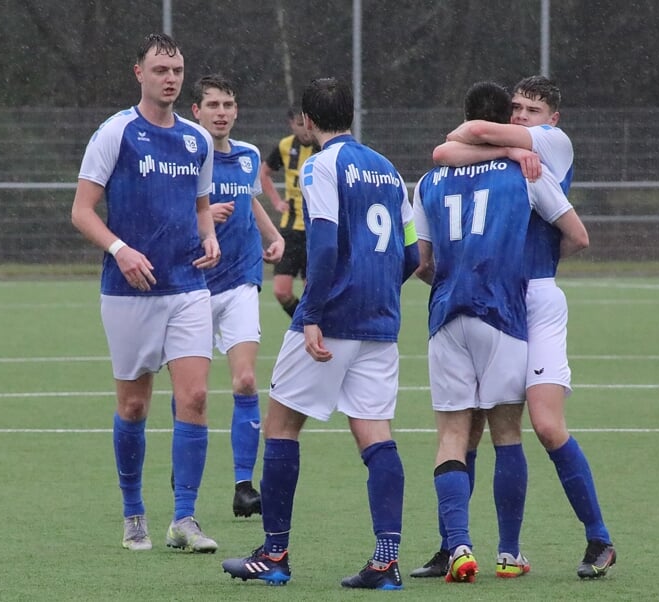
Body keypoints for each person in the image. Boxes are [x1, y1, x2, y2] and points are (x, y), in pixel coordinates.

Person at [221, 77, 420, 590]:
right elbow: (414, 254)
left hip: (332, 321)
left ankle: (275, 554)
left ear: (306, 122)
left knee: (281, 426)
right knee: (376, 435)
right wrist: (376, 289)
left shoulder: (320, 165)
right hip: (381, 321)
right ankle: (387, 560)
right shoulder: (390, 170)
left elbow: (325, 248)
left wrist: (311, 312)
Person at [415, 75, 613, 580]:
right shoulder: (508, 160)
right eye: (518, 108)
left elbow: (459, 141)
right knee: (473, 426)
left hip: (534, 300)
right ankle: (453, 545)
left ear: (553, 120)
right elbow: (446, 152)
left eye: (533, 110)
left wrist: (540, 264)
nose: (523, 117)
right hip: (491, 301)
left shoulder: (550, 149)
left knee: (542, 425)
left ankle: (598, 538)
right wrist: (499, 152)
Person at [70, 33, 222, 554]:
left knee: (196, 397)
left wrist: (209, 235)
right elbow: (82, 211)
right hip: (128, 291)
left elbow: (201, 204)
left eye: (177, 69)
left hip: (188, 287)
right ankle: (134, 510)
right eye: (160, 69)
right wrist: (120, 250)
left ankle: (185, 517)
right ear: (140, 73)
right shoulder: (117, 133)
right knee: (134, 407)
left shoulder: (196, 140)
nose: (171, 78)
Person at [188, 74, 285, 517]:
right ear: (197, 112)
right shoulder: (186, 156)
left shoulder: (246, 156)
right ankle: (183, 463)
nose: (221, 111)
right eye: (213, 104)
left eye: (228, 103)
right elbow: (170, 214)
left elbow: (250, 199)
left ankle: (244, 485)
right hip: (191, 287)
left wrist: (273, 236)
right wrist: (205, 215)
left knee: (246, 380)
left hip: (242, 281)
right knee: (194, 394)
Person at [258, 105, 320, 317]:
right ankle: (302, 325)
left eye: (307, 124)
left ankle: (316, 330)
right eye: (299, 124)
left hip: (316, 230)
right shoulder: (285, 146)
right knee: (281, 291)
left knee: (313, 291)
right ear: (291, 124)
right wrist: (276, 201)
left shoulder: (322, 147)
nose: (304, 130)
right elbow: (264, 173)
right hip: (290, 230)